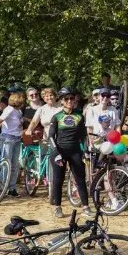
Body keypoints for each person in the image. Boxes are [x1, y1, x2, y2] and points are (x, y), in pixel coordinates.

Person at [46, 88, 89, 218]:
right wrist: (56, 152)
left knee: (80, 179)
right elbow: (51, 136)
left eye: (72, 98)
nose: (69, 101)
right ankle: (57, 207)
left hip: (75, 150)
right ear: (61, 101)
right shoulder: (57, 117)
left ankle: (86, 207)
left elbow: (83, 136)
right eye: (66, 99)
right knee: (58, 180)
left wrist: (85, 150)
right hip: (60, 150)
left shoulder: (79, 116)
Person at [0, 85, 26, 198]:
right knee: (5, 162)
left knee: (15, 165)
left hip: (17, 139)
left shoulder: (18, 111)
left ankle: (12, 188)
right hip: (8, 138)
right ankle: (0, 186)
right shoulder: (9, 109)